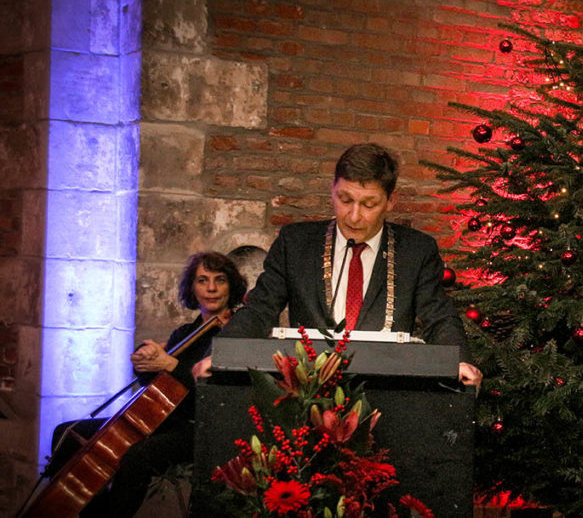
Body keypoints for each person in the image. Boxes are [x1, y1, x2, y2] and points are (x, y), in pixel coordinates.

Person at [222, 143, 481, 386]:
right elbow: (259, 309)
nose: (354, 216)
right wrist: (223, 353)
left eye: (369, 204)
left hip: (386, 388)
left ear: (391, 201)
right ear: (332, 189)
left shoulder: (416, 251)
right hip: (307, 390)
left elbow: (439, 317)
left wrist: (459, 362)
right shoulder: (296, 243)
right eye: (345, 200)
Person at [48, 251, 247, 518]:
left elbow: (214, 392)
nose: (211, 288)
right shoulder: (185, 334)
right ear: (192, 288)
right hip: (163, 421)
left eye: (219, 280)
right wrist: (143, 363)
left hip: (200, 428)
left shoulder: (235, 333)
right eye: (202, 280)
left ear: (231, 286)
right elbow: (159, 386)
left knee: (136, 457)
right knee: (68, 433)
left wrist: (169, 365)